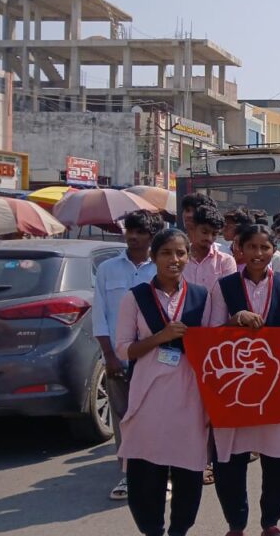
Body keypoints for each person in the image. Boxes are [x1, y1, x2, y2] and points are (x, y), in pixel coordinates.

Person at [204, 224, 280, 536]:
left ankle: (270, 521)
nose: (258, 254)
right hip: (232, 386)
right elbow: (210, 333)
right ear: (239, 251)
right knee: (229, 458)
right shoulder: (225, 286)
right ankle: (236, 522)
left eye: (265, 248)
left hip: (273, 385)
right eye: (252, 248)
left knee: (276, 457)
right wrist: (235, 320)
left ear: (275, 251)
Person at [115, 229, 210, 536]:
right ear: (153, 257)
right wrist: (160, 337)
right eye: (167, 253)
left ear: (188, 257)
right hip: (149, 394)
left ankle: (180, 529)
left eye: (181, 253)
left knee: (188, 469)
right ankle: (152, 529)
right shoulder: (136, 297)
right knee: (146, 470)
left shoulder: (201, 296)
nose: (174, 259)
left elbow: (214, 342)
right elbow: (123, 349)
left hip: (190, 394)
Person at [94, 209, 163, 501]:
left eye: (140, 232)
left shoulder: (160, 268)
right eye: (129, 231)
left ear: (151, 236)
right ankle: (128, 474)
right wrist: (108, 356)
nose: (133, 237)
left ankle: (162, 471)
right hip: (119, 359)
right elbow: (99, 315)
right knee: (124, 417)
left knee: (156, 415)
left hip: (155, 360)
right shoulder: (108, 268)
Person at [183, 205, 237, 289]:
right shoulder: (180, 259)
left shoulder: (225, 261)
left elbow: (227, 294)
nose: (209, 238)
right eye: (204, 232)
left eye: (214, 234)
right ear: (193, 228)